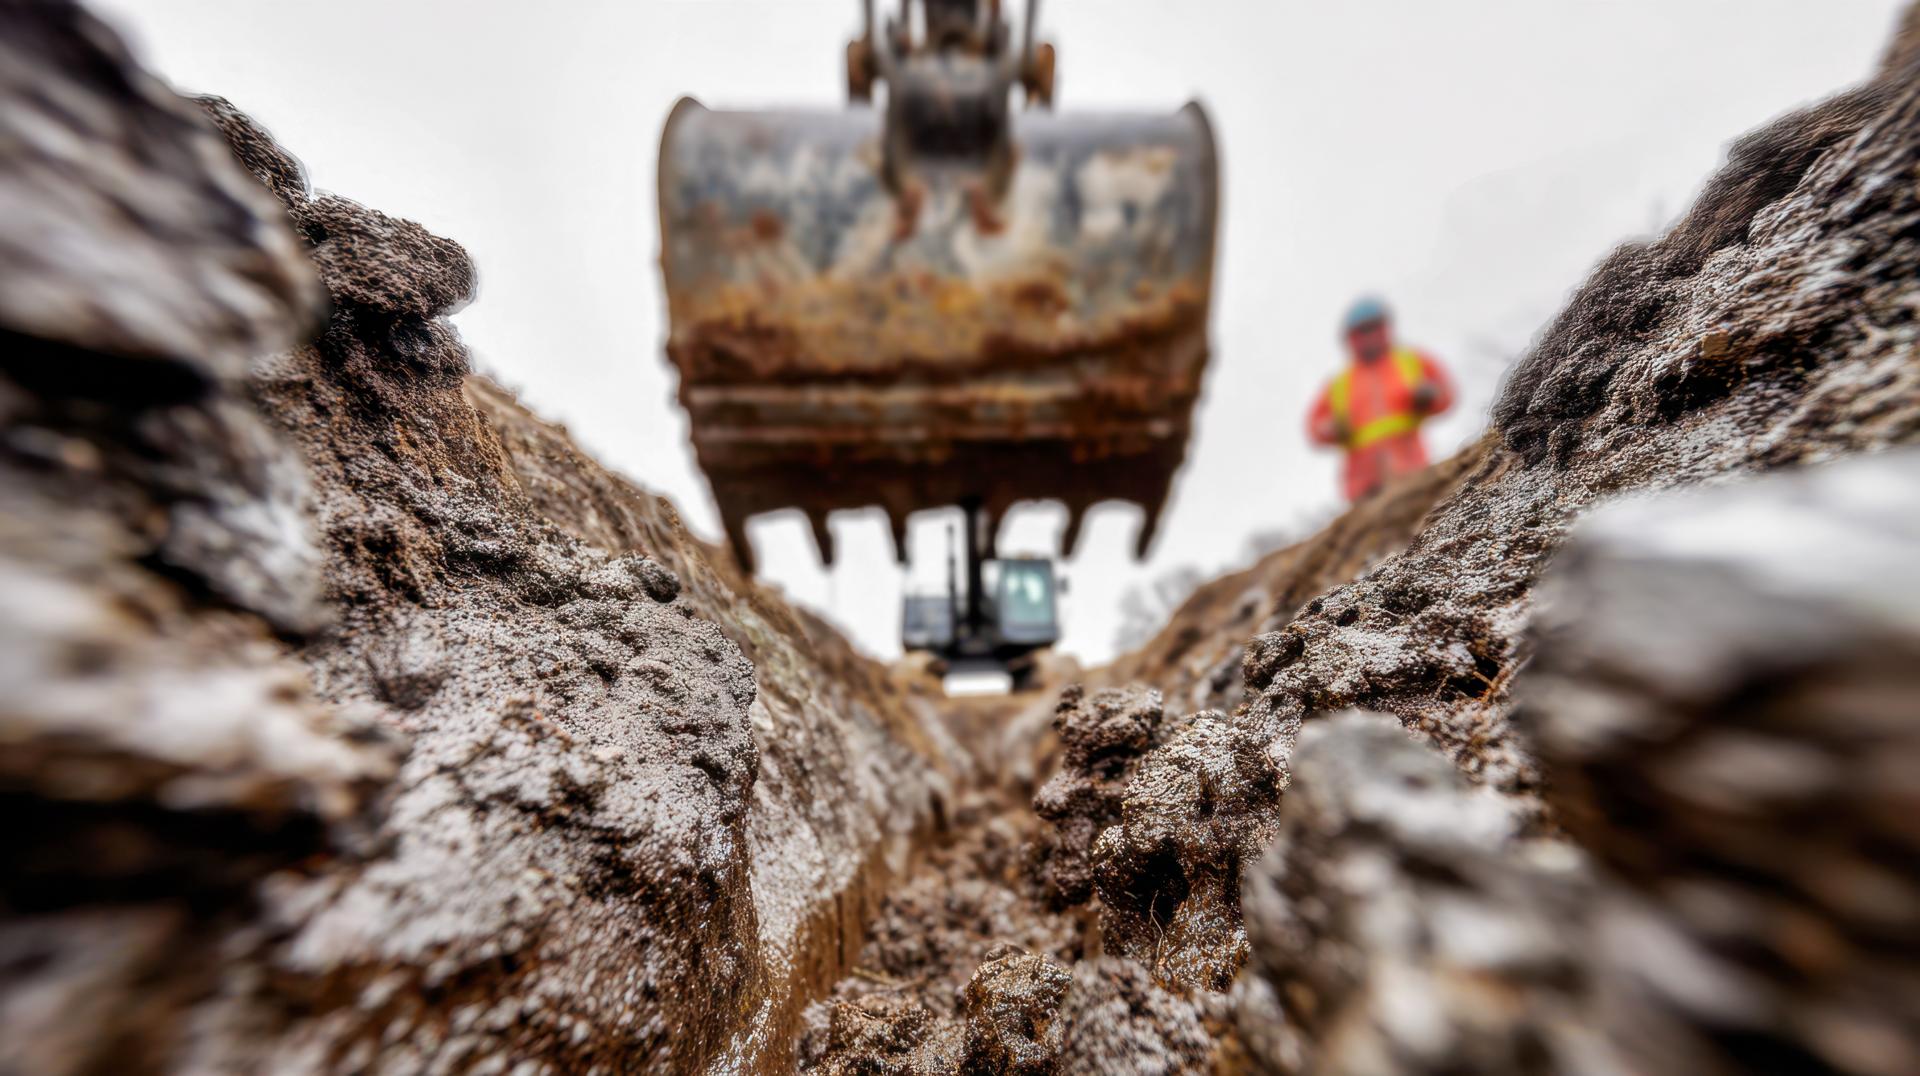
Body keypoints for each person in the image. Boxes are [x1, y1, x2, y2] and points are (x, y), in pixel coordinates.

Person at [1307, 297, 1454, 501]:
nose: (1370, 336)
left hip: (1413, 470)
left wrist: (1429, 396)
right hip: (1364, 488)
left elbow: (1445, 393)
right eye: (1363, 331)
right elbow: (1314, 427)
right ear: (1351, 337)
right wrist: (1331, 429)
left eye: (1374, 328)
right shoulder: (1339, 384)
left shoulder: (1411, 361)